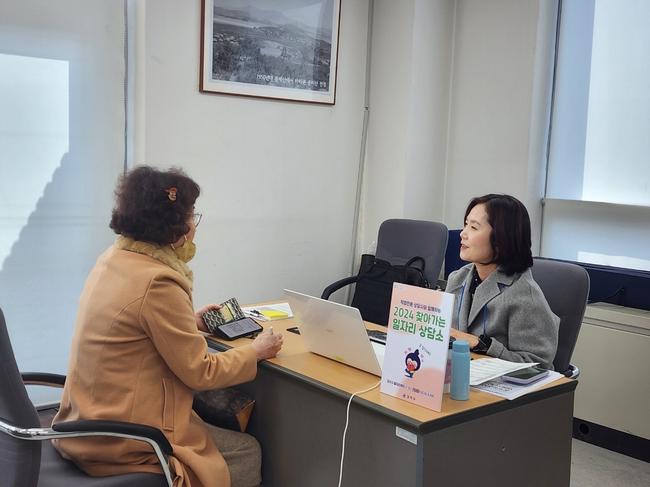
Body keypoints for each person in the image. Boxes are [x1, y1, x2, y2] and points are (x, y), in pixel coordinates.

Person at [53, 166, 283, 487]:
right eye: (191, 216)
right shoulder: (159, 281)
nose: (194, 226)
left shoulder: (113, 259)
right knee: (246, 450)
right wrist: (255, 351)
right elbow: (201, 372)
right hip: (124, 436)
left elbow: (133, 326)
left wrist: (189, 322)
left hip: (86, 420)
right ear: (175, 226)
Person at [446, 194, 559, 369]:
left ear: (501, 238)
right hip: (458, 375)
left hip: (497, 385)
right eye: (466, 224)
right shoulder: (457, 278)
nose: (463, 234)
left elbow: (538, 367)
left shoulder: (525, 295)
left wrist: (483, 345)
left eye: (474, 227)